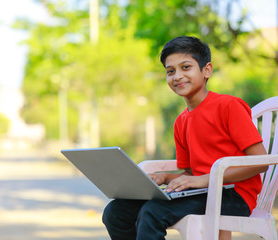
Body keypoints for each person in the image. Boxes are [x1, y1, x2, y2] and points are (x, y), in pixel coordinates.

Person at [102, 36, 268, 240]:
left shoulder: (229, 106)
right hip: (203, 191)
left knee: (153, 212)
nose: (177, 76)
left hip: (235, 194)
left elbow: (260, 162)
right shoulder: (181, 121)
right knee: (115, 212)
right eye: (170, 71)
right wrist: (165, 178)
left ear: (207, 70)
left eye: (186, 67)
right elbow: (191, 174)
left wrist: (205, 180)